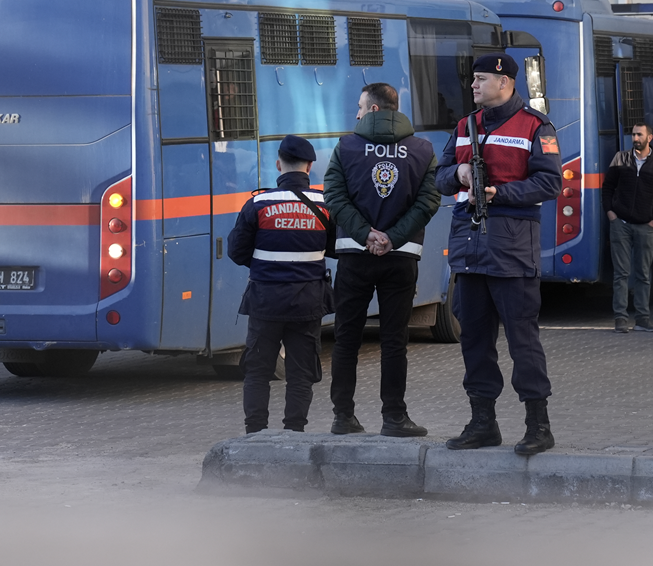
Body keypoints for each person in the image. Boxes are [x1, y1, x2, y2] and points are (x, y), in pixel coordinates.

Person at [435, 53, 562, 456]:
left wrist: (499, 192)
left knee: (522, 341)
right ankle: (482, 423)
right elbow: (438, 177)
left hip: (511, 248)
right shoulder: (463, 127)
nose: (473, 85)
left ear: (505, 82)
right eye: (472, 79)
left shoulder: (535, 127)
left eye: (480, 78)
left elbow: (550, 182)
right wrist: (459, 174)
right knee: (473, 339)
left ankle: (538, 426)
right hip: (469, 247)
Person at [323, 83, 441, 437]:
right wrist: (392, 237)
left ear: (374, 110)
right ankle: (394, 417)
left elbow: (334, 196)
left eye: (360, 106)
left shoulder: (346, 147)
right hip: (400, 257)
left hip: (355, 257)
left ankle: (343, 417)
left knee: (346, 339)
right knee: (394, 340)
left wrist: (365, 234)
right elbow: (428, 201)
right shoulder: (422, 150)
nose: (357, 113)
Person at [226, 135, 332, 434]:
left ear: (278, 164)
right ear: (310, 166)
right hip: (308, 302)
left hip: (265, 302)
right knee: (301, 374)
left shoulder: (258, 204)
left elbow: (236, 252)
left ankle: (255, 434)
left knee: (258, 372)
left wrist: (267, 266)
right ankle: (294, 434)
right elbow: (335, 247)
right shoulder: (325, 205)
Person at [602, 121, 653, 333]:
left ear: (649, 138)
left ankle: (642, 318)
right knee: (621, 273)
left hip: (646, 226)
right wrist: (611, 214)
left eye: (639, 135)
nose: (635, 139)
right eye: (633, 135)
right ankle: (620, 318)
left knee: (643, 273)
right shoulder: (620, 159)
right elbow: (607, 188)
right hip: (621, 224)